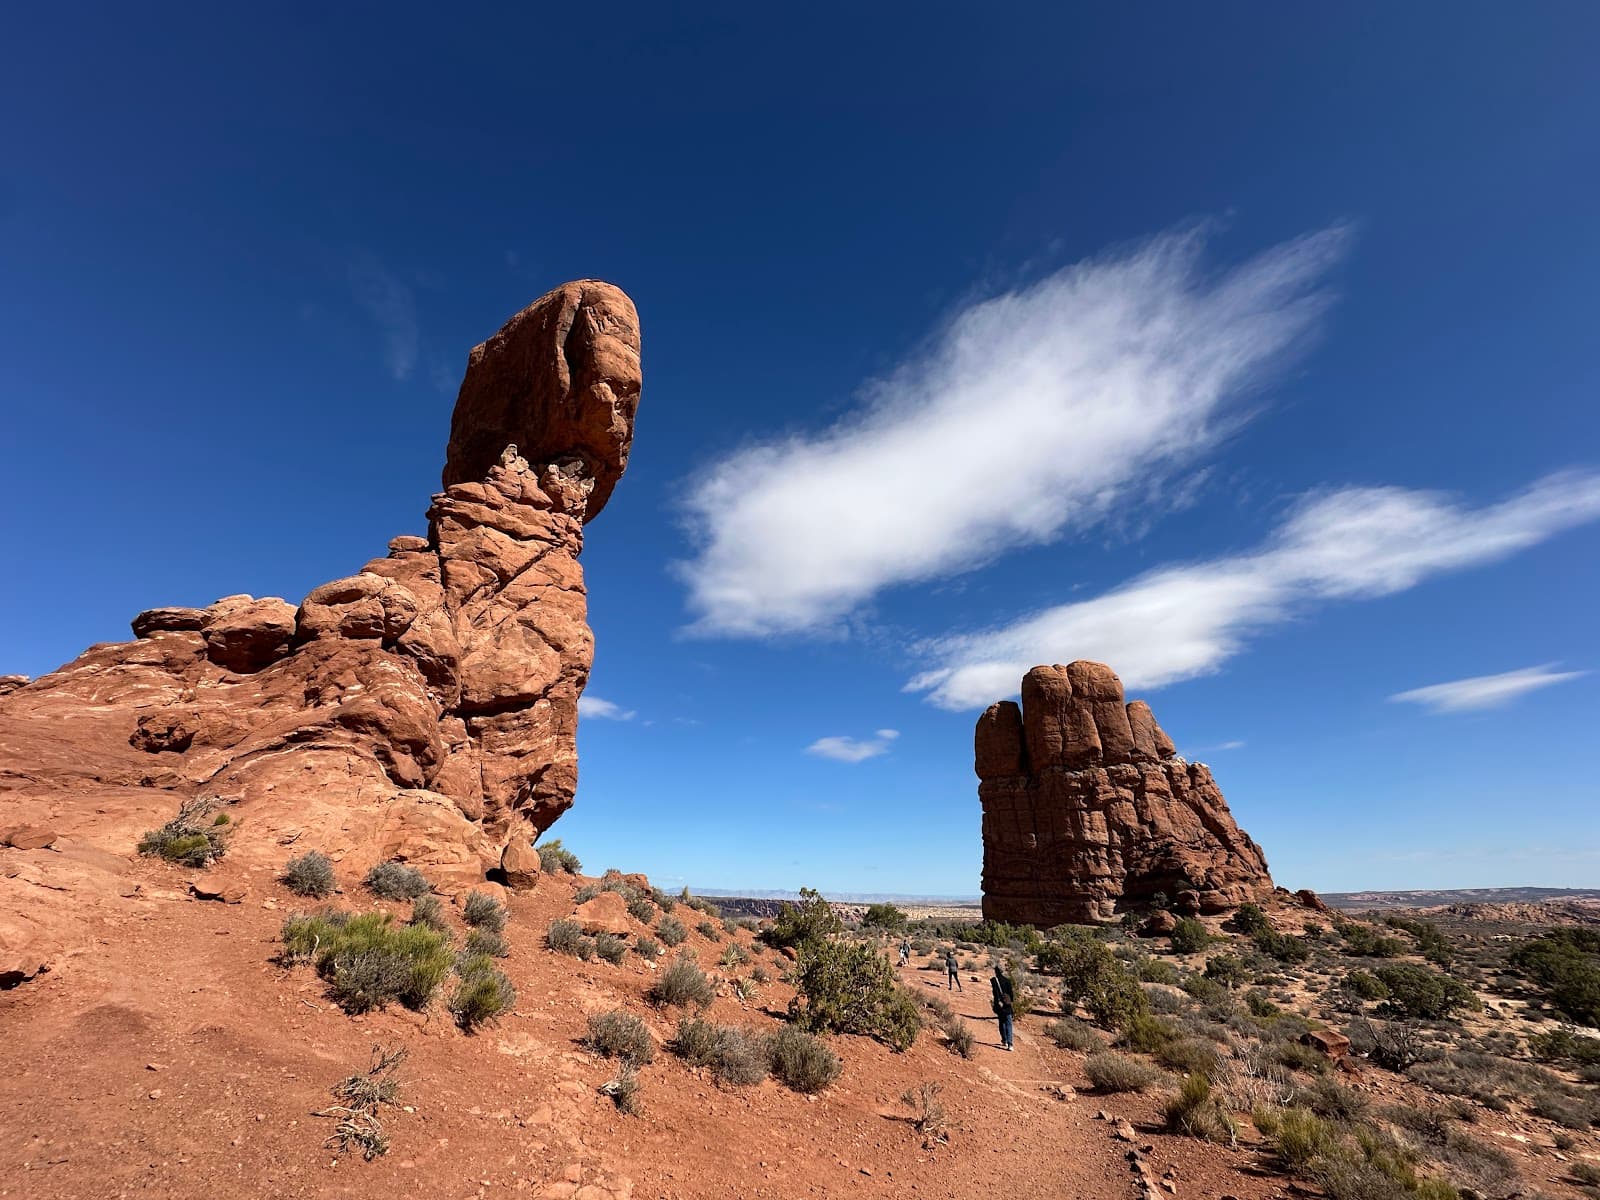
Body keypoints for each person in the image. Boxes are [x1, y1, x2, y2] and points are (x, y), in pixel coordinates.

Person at [990, 964, 1015, 1051]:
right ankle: (1010, 1044)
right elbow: (1011, 994)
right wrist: (1009, 1001)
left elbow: (994, 993)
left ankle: (1004, 1040)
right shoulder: (1007, 981)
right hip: (1007, 1005)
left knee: (1001, 1023)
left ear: (996, 971)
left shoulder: (993, 981)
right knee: (1009, 1024)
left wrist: (997, 1003)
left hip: (999, 1005)